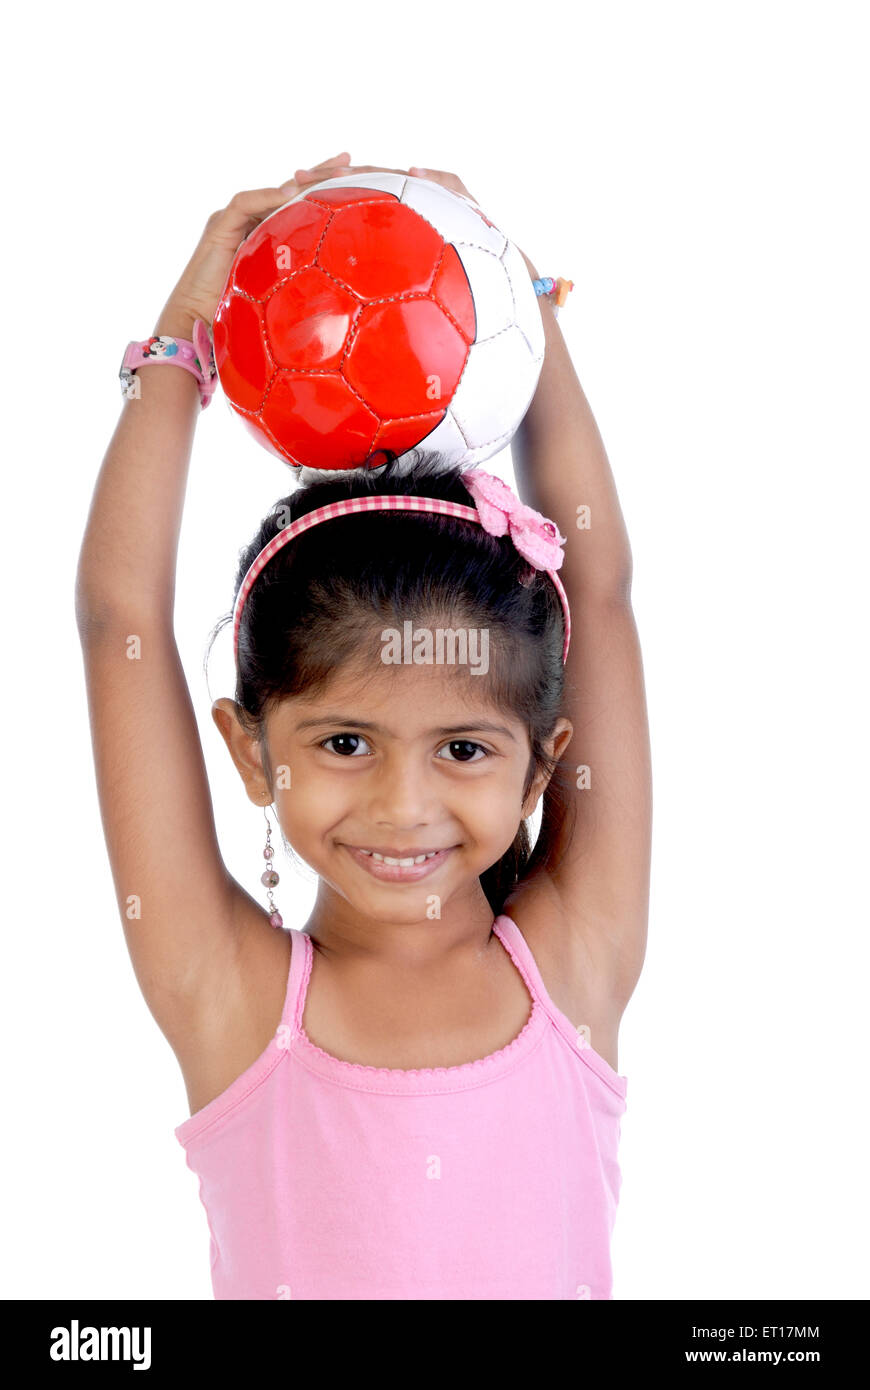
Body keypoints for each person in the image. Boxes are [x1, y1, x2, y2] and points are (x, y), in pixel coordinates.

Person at [75, 153, 652, 1300]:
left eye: (464, 748)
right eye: (345, 743)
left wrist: (518, 305)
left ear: (546, 766)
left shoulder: (574, 965)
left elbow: (599, 590)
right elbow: (118, 623)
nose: (402, 805)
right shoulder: (232, 999)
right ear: (252, 750)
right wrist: (180, 345)